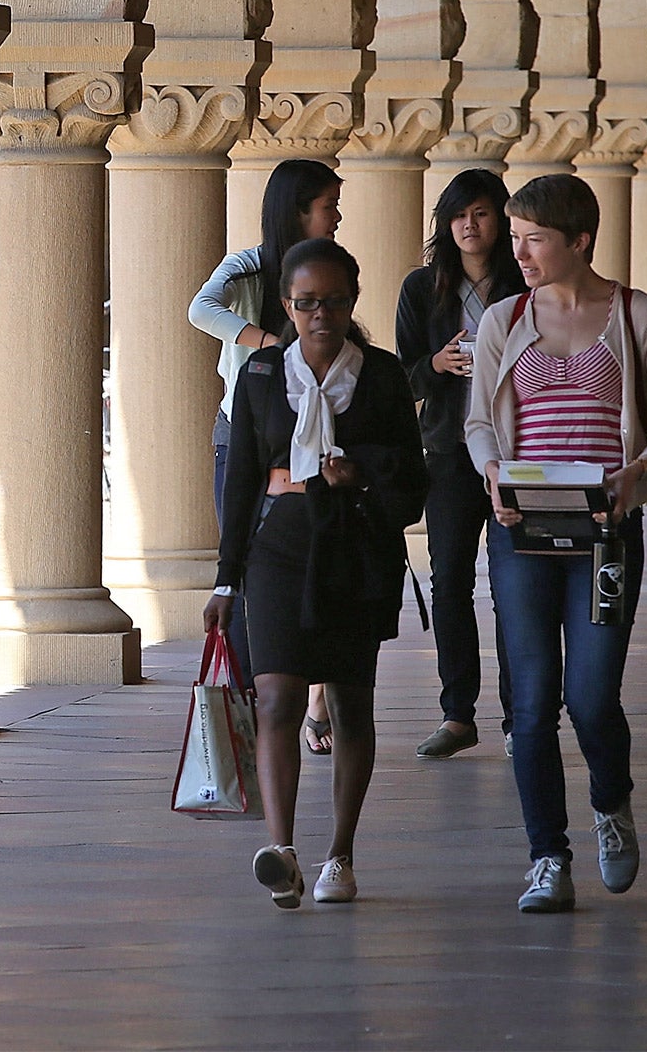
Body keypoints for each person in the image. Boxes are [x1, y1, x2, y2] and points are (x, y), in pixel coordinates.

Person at [465, 174, 647, 914]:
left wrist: (644, 468)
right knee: (531, 706)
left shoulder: (637, 315)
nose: (520, 251)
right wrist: (492, 471)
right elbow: (478, 424)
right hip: (521, 533)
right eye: (516, 237)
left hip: (605, 531)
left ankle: (610, 805)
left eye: (535, 239)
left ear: (580, 241)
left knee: (592, 697)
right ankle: (547, 858)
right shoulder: (505, 319)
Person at [203, 238, 427, 908]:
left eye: (332, 301)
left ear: (352, 301)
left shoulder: (384, 377)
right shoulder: (264, 375)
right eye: (306, 303)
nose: (319, 314)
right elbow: (241, 478)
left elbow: (411, 483)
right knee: (274, 696)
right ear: (287, 306)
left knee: (352, 703)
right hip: (281, 544)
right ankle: (283, 848)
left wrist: (357, 470)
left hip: (355, 544)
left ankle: (340, 855)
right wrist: (224, 579)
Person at [190, 158, 342, 749]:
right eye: (328, 204)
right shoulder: (251, 265)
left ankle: (309, 696)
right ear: (299, 210)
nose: (336, 215)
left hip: (309, 440)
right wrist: (268, 340)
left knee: (307, 566)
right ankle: (252, 712)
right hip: (244, 436)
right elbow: (201, 309)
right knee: (244, 568)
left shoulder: (328, 270)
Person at [395, 169, 525, 760]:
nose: (469, 226)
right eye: (458, 216)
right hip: (448, 450)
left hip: (515, 451)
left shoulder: (524, 282)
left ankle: (520, 715)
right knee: (449, 580)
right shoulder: (423, 289)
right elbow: (400, 375)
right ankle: (458, 713)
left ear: (500, 218)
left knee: (512, 584)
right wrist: (438, 364)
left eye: (481, 213)